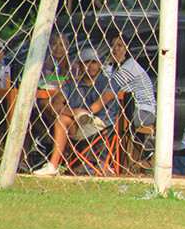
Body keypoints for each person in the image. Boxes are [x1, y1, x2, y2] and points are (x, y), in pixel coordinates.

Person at [32, 47, 119, 177]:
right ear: (79, 65)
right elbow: (58, 98)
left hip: (100, 124)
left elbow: (105, 99)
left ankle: (53, 163)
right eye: (86, 62)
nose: (90, 66)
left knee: (63, 118)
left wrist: (87, 111)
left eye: (93, 62)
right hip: (76, 123)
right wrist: (71, 110)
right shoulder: (73, 84)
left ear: (100, 64)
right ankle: (52, 166)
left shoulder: (108, 81)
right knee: (50, 109)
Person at [106, 30, 156, 128]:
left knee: (109, 120)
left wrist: (109, 63)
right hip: (129, 108)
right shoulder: (118, 67)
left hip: (144, 112)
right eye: (112, 45)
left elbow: (108, 85)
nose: (115, 49)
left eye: (119, 45)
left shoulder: (130, 66)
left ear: (126, 48)